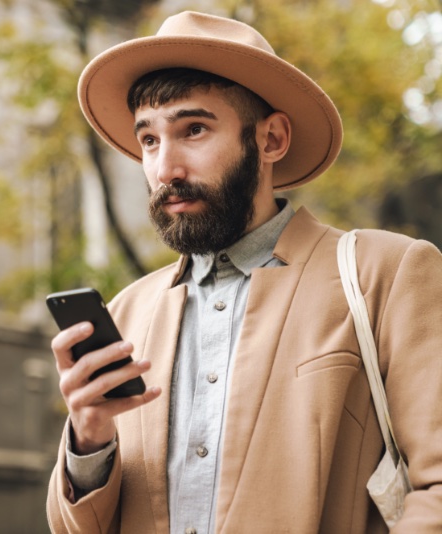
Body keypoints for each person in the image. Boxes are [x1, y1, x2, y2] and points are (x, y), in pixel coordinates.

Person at [46, 11, 442, 534]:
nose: (165, 169)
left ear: (271, 139)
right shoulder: (126, 314)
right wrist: (89, 440)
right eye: (149, 141)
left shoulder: (385, 274)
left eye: (194, 130)